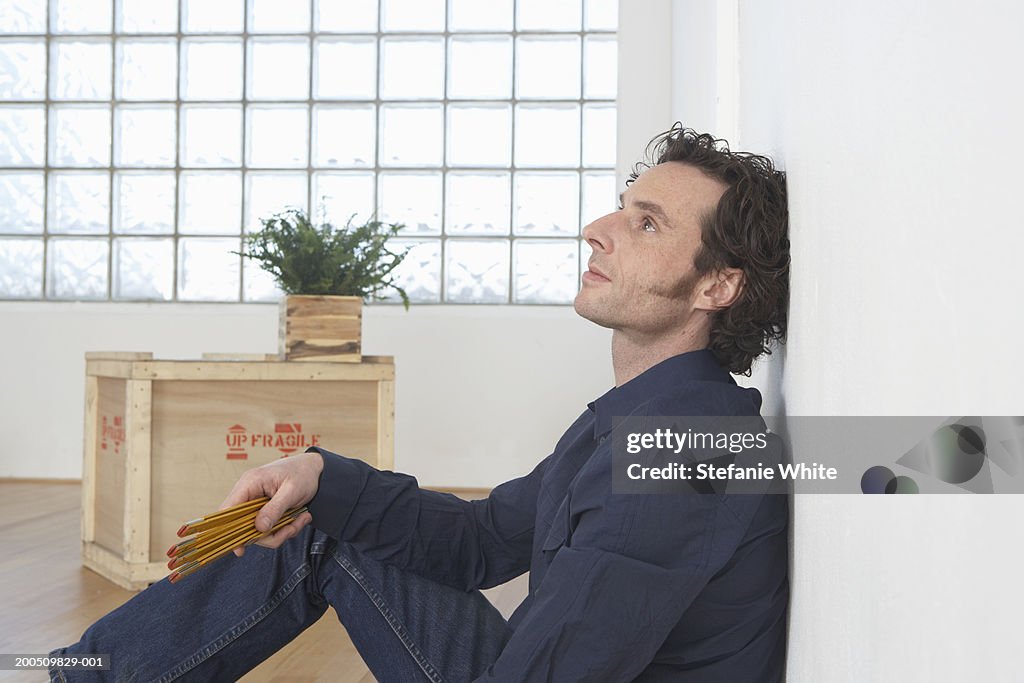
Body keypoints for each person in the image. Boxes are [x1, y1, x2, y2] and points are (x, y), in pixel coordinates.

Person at [50, 125, 791, 682]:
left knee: (328, 535)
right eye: (622, 209)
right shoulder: (646, 423)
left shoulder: (685, 457)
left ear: (716, 287)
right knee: (323, 515)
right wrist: (320, 472)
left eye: (647, 223)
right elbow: (479, 539)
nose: (597, 231)